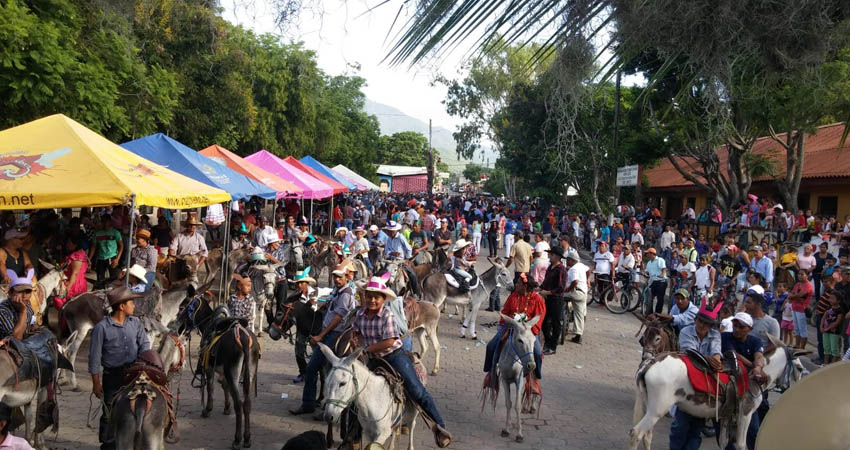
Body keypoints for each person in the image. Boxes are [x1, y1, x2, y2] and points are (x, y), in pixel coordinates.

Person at [352, 276, 452, 448]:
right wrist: (356, 340)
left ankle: (440, 427)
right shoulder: (360, 314)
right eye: (369, 296)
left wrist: (367, 349)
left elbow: (389, 341)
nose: (372, 300)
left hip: (393, 356)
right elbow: (356, 332)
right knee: (355, 391)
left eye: (376, 297)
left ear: (383, 299)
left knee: (416, 390)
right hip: (374, 358)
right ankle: (351, 438)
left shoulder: (387, 315)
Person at [290, 263, 357, 416]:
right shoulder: (337, 290)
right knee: (323, 369)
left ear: (346, 277)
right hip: (327, 331)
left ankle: (312, 404)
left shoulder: (346, 293)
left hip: (334, 334)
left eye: (340, 277)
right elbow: (330, 308)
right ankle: (316, 403)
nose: (337, 279)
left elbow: (338, 318)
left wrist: (320, 335)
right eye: (335, 276)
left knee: (315, 367)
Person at [89, 286, 150, 450]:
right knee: (110, 411)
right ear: (121, 306)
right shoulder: (101, 328)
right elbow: (94, 357)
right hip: (112, 376)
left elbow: (144, 345)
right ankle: (108, 443)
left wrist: (145, 364)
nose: (134, 305)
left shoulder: (136, 323)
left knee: (142, 406)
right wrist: (96, 383)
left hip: (134, 374)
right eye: (131, 302)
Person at [670, 301, 722, 450]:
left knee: (696, 428)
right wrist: (710, 359)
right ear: (695, 320)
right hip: (687, 381)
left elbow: (716, 353)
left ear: (711, 325)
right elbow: (690, 354)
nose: (703, 326)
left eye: (707, 323)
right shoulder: (686, 331)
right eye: (701, 321)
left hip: (705, 384)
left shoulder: (715, 334)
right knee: (680, 425)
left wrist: (716, 358)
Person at [483, 273, 545, 378]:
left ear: (524, 286)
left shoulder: (537, 299)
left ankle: (535, 378)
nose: (516, 285)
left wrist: (528, 329)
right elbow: (505, 312)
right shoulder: (513, 296)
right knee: (491, 346)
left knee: (538, 353)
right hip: (510, 328)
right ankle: (491, 373)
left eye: (518, 283)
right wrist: (506, 323)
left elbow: (539, 318)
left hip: (528, 331)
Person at [719, 312, 766, 450]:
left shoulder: (755, 341)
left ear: (750, 329)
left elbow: (759, 356)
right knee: (723, 431)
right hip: (728, 384)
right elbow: (735, 356)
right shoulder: (726, 337)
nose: (737, 329)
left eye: (741, 327)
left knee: (753, 430)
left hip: (748, 388)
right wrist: (753, 366)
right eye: (735, 325)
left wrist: (758, 366)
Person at [288, 268, 319, 384]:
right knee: (299, 352)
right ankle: (303, 372)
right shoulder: (294, 297)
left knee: (316, 352)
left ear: (307, 283)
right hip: (302, 327)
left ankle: (314, 373)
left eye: (302, 283)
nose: (300, 285)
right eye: (298, 283)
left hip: (314, 328)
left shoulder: (316, 292)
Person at [539, 246, 569, 353]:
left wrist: (547, 292)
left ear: (557, 256)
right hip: (547, 299)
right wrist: (539, 288)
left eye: (551, 254)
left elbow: (561, 287)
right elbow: (545, 282)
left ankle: (553, 346)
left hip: (556, 299)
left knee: (556, 323)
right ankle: (548, 342)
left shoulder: (561, 270)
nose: (549, 255)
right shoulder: (550, 267)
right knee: (544, 321)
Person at [89, 214, 124, 288]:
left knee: (114, 279)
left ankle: (113, 296)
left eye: (106, 221)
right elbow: (93, 246)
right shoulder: (97, 233)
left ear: (110, 221)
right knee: (100, 280)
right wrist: (89, 259)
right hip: (100, 258)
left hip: (112, 258)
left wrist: (117, 259)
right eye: (103, 221)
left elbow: (121, 246)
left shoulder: (115, 232)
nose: (105, 223)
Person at [564, 247, 589, 346]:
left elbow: (575, 281)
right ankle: (578, 334)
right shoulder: (581, 265)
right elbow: (588, 271)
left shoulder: (574, 269)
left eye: (567, 260)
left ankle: (565, 313)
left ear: (571, 260)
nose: (566, 261)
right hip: (583, 292)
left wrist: (568, 289)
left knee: (559, 295)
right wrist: (586, 280)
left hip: (576, 292)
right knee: (579, 313)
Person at [0, 269, 35, 340]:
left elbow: (31, 324)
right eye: (19, 291)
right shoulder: (2, 311)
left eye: (27, 291)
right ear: (10, 293)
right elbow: (16, 338)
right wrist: (23, 311)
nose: (24, 295)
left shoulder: (27, 304)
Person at [788, 269, 813, 349]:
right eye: (799, 274)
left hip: (802, 309)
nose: (800, 276)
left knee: (802, 329)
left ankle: (802, 347)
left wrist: (794, 297)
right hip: (795, 307)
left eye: (802, 274)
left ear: (807, 275)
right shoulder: (797, 284)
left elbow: (800, 295)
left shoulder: (808, 285)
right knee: (797, 328)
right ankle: (797, 345)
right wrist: (795, 297)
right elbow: (793, 295)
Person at [820, 290, 844, 364]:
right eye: (830, 298)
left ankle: (832, 365)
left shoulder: (840, 311)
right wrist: (821, 326)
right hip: (825, 331)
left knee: (834, 350)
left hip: (834, 333)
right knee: (826, 348)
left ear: (838, 300)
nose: (830, 300)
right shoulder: (828, 308)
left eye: (832, 298)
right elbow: (824, 317)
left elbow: (837, 322)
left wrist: (828, 328)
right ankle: (825, 364)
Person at [643, 248, 668, 314]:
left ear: (651, 254)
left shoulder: (660, 260)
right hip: (653, 281)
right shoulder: (649, 262)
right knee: (650, 297)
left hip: (661, 281)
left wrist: (662, 274)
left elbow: (663, 268)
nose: (647, 255)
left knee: (660, 299)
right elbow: (647, 271)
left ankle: (658, 313)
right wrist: (646, 274)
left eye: (648, 253)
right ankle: (650, 312)